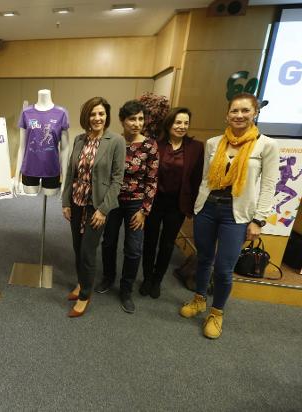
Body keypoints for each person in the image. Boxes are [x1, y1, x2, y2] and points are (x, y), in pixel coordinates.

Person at [180, 93, 278, 339]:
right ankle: (199, 299)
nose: (239, 115)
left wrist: (258, 220)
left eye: (245, 110)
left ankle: (217, 312)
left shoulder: (266, 145)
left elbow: (268, 186)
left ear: (254, 113)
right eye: (235, 111)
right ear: (227, 114)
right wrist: (198, 206)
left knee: (224, 268)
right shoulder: (214, 143)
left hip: (236, 213)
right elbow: (205, 177)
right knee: (203, 258)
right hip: (208, 208)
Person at [62, 97, 125, 317]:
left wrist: (103, 210)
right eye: (93, 114)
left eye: (101, 114)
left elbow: (118, 179)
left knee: (88, 252)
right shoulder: (80, 139)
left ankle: (85, 295)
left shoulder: (116, 141)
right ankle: (82, 282)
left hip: (96, 206)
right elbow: (71, 173)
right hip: (77, 202)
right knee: (77, 248)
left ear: (107, 116)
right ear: (86, 117)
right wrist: (65, 202)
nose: (97, 118)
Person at [97, 100, 159, 314]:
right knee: (108, 242)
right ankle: (108, 277)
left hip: (136, 204)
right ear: (122, 120)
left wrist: (144, 211)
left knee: (133, 249)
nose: (137, 123)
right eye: (132, 119)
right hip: (113, 200)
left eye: (140, 119)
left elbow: (152, 181)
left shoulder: (150, 145)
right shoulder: (115, 142)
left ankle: (126, 289)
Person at [141, 108, 204, 298]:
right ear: (169, 124)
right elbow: (146, 175)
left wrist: (193, 206)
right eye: (178, 122)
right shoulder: (155, 145)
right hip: (154, 202)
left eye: (185, 123)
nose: (182, 126)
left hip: (177, 205)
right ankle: (147, 278)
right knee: (150, 242)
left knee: (168, 244)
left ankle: (157, 280)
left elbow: (197, 178)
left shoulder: (196, 147)